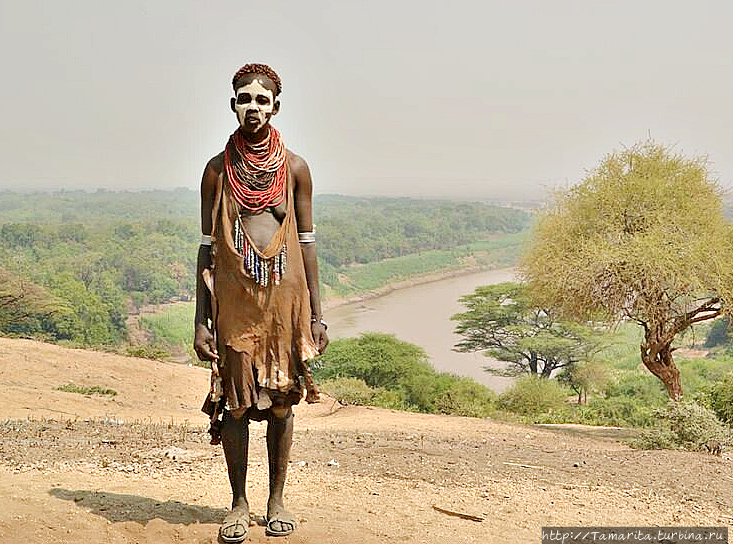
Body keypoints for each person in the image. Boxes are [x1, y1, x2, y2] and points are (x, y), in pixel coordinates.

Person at [193, 63, 329, 542]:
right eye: (244, 99)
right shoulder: (216, 169)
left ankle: (275, 499)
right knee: (233, 406)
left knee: (278, 407)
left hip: (284, 304)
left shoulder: (295, 169)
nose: (253, 108)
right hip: (235, 305)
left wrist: (317, 314)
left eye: (262, 100)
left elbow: (308, 243)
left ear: (276, 106)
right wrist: (200, 322)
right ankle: (237, 503)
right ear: (233, 104)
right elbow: (207, 250)